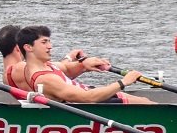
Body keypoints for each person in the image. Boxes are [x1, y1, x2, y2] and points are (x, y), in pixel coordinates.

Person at [15, 25, 149, 103]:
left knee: (145, 100)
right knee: (147, 103)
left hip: (95, 94)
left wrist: (86, 64)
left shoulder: (44, 65)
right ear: (28, 47)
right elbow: (88, 98)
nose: (50, 46)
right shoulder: (44, 79)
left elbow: (67, 67)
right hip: (95, 103)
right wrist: (124, 82)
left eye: (49, 42)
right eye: (44, 42)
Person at [0, 24, 106, 96]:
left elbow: (57, 69)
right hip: (82, 100)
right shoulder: (19, 69)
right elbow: (66, 71)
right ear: (19, 47)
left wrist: (68, 58)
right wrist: (83, 64)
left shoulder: (9, 72)